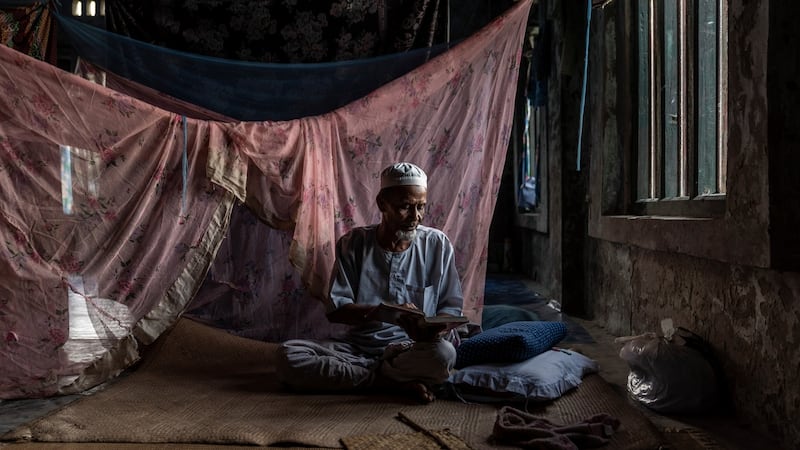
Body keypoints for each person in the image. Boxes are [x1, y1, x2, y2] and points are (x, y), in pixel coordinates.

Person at [275, 162, 464, 403]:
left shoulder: (438, 244)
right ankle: (389, 382)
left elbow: (451, 308)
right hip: (359, 349)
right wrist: (382, 313)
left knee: (443, 356)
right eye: (405, 207)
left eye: (421, 207)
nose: (415, 217)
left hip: (414, 349)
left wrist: (433, 329)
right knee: (288, 356)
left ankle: (372, 378)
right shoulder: (353, 244)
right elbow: (337, 311)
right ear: (381, 204)